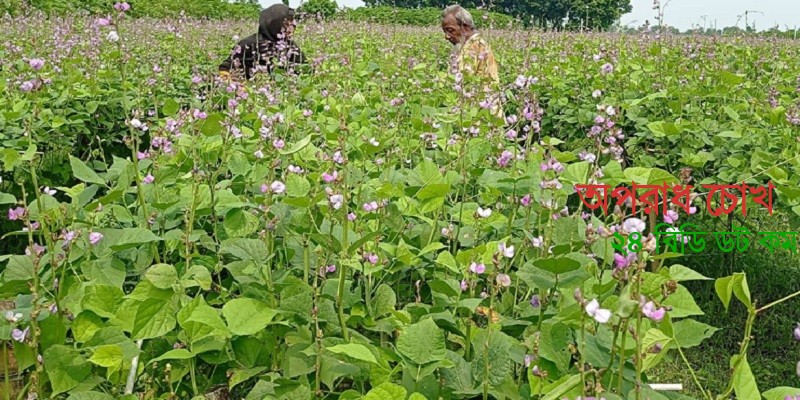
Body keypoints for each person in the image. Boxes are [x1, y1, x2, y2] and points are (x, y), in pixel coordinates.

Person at [441, 5, 504, 119]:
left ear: (465, 27)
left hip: (479, 117)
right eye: (445, 31)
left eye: (450, 30)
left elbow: (459, 83)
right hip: (490, 115)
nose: (446, 36)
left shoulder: (471, 49)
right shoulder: (478, 43)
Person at [219, 4, 307, 81]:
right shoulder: (250, 43)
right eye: (287, 25)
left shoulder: (289, 45)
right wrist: (237, 88)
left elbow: (305, 66)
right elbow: (225, 67)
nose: (291, 29)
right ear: (274, 24)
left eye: (293, 24)